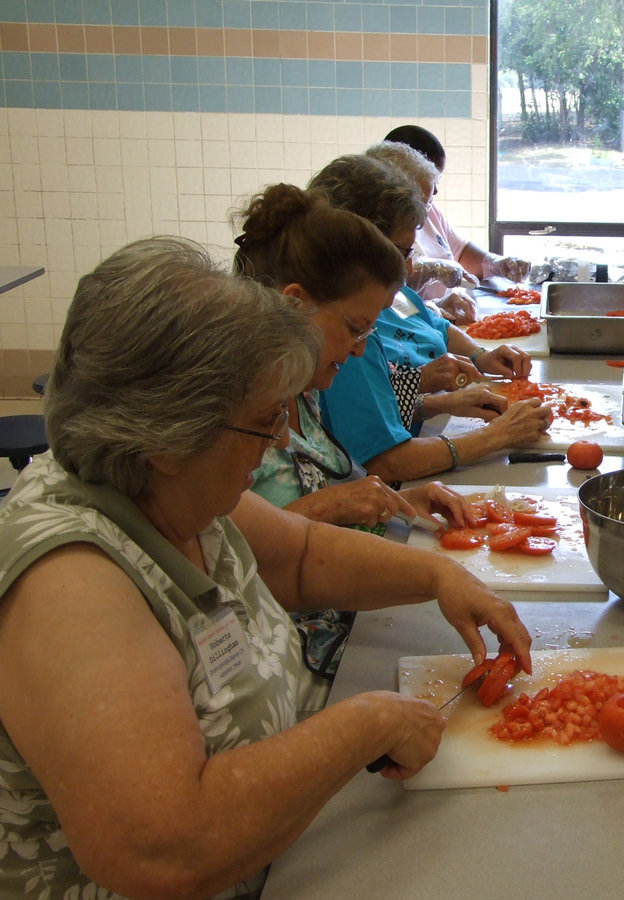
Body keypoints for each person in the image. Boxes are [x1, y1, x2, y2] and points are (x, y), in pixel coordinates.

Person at [0, 237, 533, 898]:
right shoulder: (70, 586)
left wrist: (439, 578)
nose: (283, 439)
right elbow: (169, 849)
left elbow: (304, 557)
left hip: (291, 850)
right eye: (263, 421)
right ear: (168, 436)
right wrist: (366, 724)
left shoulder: (169, 490)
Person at [233, 184, 482, 703]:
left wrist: (395, 504)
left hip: (341, 622)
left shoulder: (306, 387)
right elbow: (232, 554)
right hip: (280, 665)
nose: (364, 347)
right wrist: (334, 505)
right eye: (354, 327)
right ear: (294, 303)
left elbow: (306, 538)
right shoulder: (225, 416)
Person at [309, 155, 551, 482]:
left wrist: (437, 401)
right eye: (404, 252)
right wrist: (499, 436)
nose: (410, 269)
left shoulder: (371, 307)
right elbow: (384, 460)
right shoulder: (347, 333)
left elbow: (376, 408)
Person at [383, 124, 531, 315]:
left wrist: (497, 263)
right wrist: (433, 308)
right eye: (431, 180)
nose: (435, 190)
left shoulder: (428, 210)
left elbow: (460, 252)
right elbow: (387, 306)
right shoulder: (379, 225)